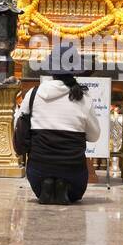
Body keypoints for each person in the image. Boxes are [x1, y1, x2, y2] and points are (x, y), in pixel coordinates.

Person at [16, 73, 102, 204]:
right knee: (75, 193)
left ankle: (47, 184)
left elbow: (19, 124)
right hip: (73, 171)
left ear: (52, 73)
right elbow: (94, 136)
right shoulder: (82, 96)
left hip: (38, 170)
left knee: (40, 183)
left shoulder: (33, 93)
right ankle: (64, 185)